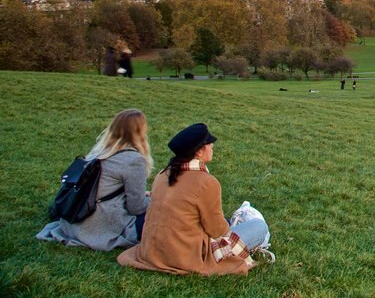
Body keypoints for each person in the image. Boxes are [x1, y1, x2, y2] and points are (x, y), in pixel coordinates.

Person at [117, 123, 268, 275]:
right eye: (209, 144)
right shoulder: (207, 182)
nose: (212, 146)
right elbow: (216, 229)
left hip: (152, 251)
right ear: (199, 152)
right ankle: (245, 224)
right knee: (259, 226)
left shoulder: (163, 174)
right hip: (184, 255)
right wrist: (230, 234)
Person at [37, 109, 152, 250]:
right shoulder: (133, 160)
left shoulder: (100, 152)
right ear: (140, 132)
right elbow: (136, 207)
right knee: (162, 213)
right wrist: (156, 199)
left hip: (73, 222)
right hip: (97, 227)